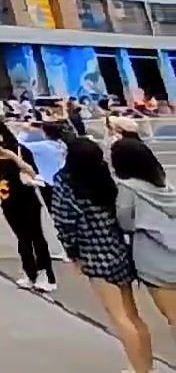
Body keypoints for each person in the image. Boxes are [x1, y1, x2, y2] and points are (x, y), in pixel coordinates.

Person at [51, 137, 153, 373]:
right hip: (119, 248)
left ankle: (139, 369)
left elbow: (65, 222)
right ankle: (145, 365)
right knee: (132, 314)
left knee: (118, 316)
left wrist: (73, 254)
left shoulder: (66, 183)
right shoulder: (105, 179)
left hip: (93, 252)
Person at [0, 118, 55, 292]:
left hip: (26, 194)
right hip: (6, 196)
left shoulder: (19, 149)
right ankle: (29, 271)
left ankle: (46, 274)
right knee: (22, 237)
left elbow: (32, 172)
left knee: (36, 235)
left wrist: (13, 157)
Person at [113, 137, 176, 332]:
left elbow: (124, 220)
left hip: (155, 260)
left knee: (173, 317)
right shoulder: (164, 182)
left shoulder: (127, 187)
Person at [29, 121, 69, 212]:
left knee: (53, 209)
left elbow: (21, 145)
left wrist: (26, 130)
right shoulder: (61, 144)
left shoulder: (43, 146)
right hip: (60, 179)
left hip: (48, 181)